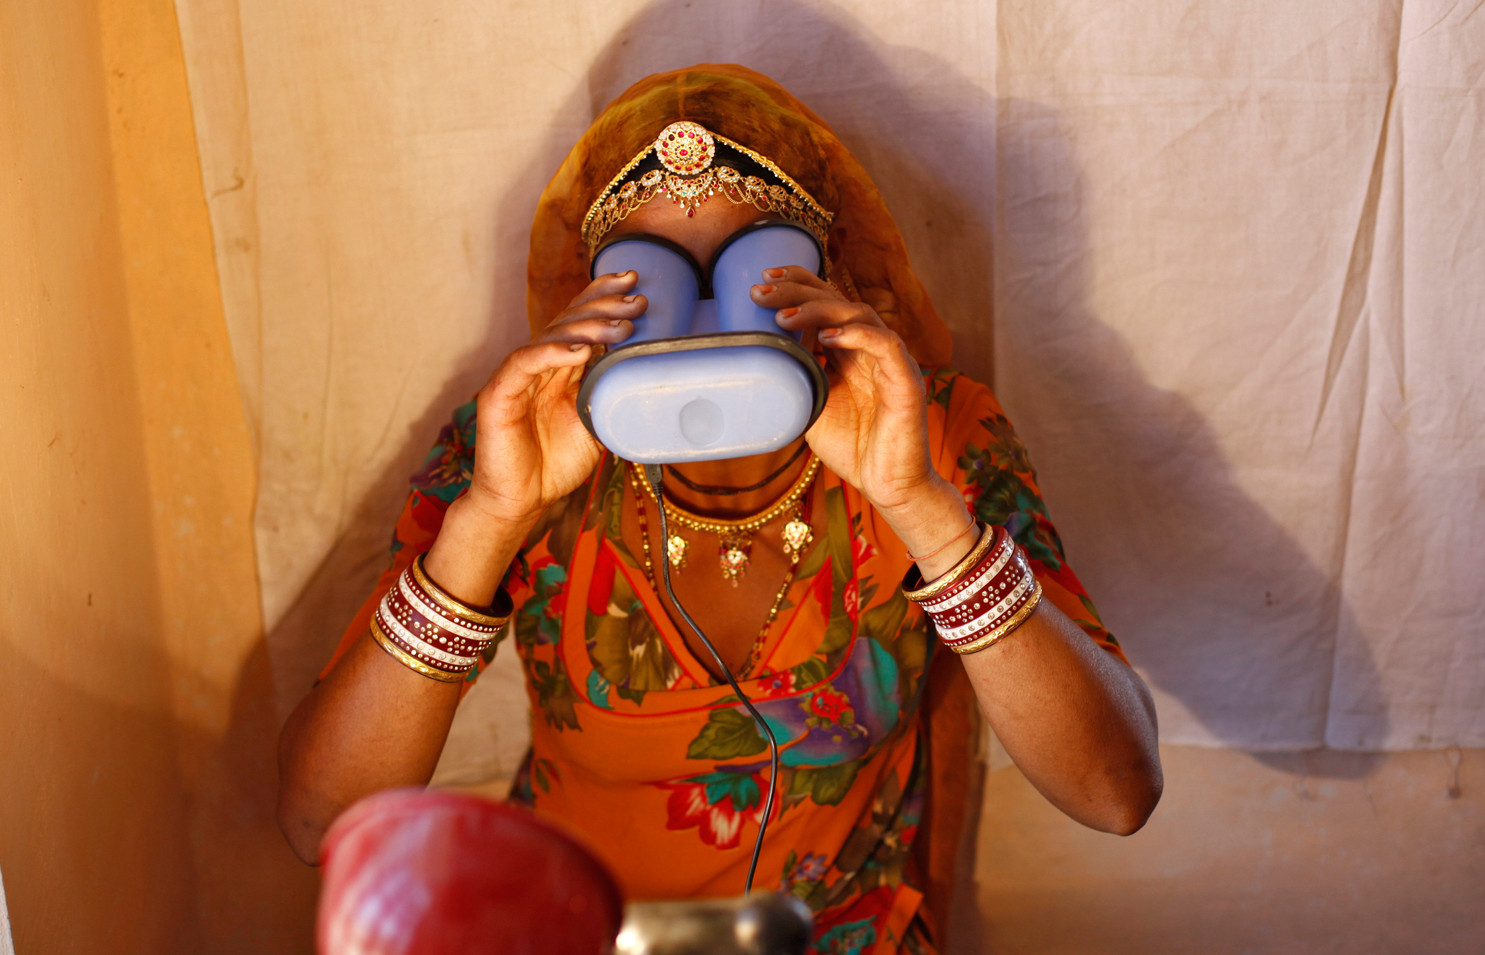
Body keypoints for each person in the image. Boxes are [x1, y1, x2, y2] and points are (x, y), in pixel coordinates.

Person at [278, 64, 1162, 954]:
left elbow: (1117, 793)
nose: (701, 323)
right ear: (591, 301)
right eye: (648, 282)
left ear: (829, 274)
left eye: (746, 274)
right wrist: (491, 519)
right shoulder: (517, 441)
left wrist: (919, 505)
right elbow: (320, 820)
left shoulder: (931, 431)